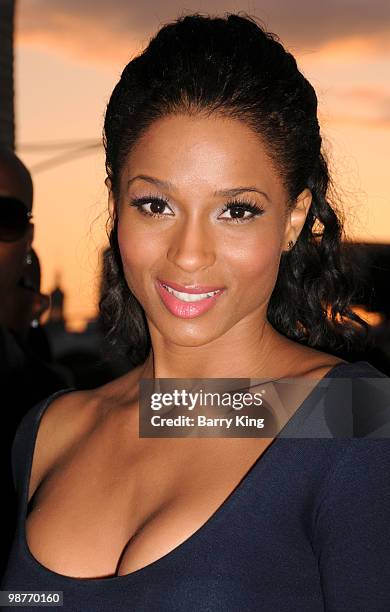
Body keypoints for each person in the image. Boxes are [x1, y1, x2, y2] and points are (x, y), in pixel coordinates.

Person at [2, 13, 390, 611]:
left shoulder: (357, 419)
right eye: (155, 204)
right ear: (116, 204)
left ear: (293, 218)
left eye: (236, 210)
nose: (188, 255)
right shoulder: (50, 431)